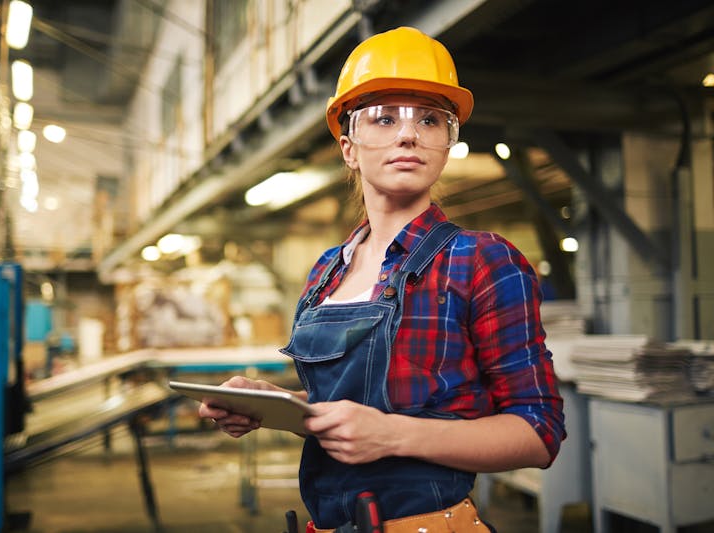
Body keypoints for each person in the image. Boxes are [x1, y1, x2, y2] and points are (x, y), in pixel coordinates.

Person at [199, 26, 565, 533]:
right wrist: (272, 406)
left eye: (431, 120)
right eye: (385, 118)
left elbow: (539, 432)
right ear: (349, 148)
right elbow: (355, 408)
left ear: (446, 143)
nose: (408, 133)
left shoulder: (480, 260)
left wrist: (394, 436)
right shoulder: (327, 270)